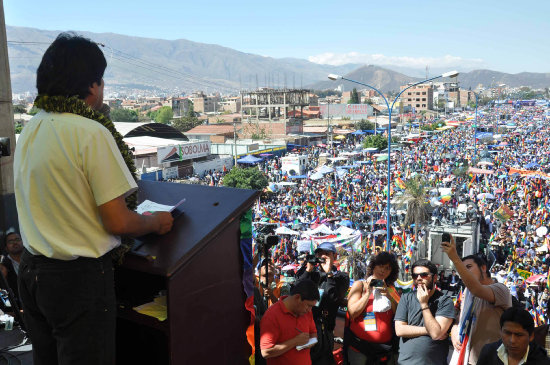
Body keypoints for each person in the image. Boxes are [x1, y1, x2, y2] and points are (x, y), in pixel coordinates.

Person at [14, 33, 174, 365]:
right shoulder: (91, 133)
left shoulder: (32, 127)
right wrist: (155, 222)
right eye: (101, 81)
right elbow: (116, 221)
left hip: (32, 273)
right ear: (91, 86)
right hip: (77, 281)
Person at [441, 235, 512, 365]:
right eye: (462, 270)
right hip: (467, 359)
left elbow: (477, 289)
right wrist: (455, 330)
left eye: (468, 267)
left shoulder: (500, 289)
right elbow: (460, 319)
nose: (464, 273)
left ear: (483, 268)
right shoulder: (468, 294)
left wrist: (455, 259)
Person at [295, 242, 350, 365]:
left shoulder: (341, 277)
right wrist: (308, 270)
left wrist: (329, 274)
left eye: (327, 254)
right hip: (304, 327)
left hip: (324, 330)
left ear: (334, 257)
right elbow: (296, 292)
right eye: (320, 254)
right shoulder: (311, 274)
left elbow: (333, 298)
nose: (323, 257)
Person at [394, 259, 455, 365]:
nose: (419, 278)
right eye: (415, 275)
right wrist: (428, 330)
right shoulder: (406, 297)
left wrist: (424, 304)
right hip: (406, 362)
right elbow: (400, 330)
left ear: (435, 277)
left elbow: (436, 334)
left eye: (424, 275)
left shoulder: (445, 301)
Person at [345, 251, 400, 365]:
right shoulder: (360, 285)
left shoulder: (391, 289)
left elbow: (399, 314)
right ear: (373, 266)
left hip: (384, 350)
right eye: (380, 266)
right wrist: (367, 293)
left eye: (387, 268)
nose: (383, 270)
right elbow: (352, 313)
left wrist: (389, 296)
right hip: (360, 348)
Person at [260, 279, 319, 365]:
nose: (309, 310)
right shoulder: (272, 315)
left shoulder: (306, 313)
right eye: (308, 305)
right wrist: (295, 341)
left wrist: (310, 342)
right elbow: (266, 352)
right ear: (297, 298)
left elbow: (313, 333)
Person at [477, 307, 550, 365]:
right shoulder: (488, 352)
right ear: (500, 332)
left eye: (519, 335)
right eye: (507, 333)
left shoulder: (542, 361)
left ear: (531, 336)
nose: (512, 340)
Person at [0, 230, 23, 303]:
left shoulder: (32, 260)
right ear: (6, 247)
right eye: (10, 241)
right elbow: (2, 290)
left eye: (17, 239)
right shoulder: (3, 265)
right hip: (16, 306)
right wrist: (8, 307)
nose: (15, 243)